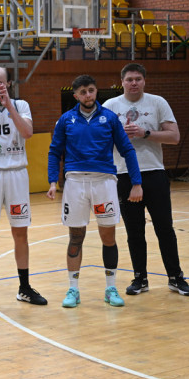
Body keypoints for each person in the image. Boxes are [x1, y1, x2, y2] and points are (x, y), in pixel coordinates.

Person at [47, 74, 142, 309]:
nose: (88, 95)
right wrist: (52, 181)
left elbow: (127, 150)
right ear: (75, 95)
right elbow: (54, 151)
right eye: (83, 92)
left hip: (104, 182)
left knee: (108, 236)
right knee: (75, 237)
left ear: (96, 91)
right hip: (75, 183)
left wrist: (136, 182)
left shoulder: (110, 118)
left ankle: (111, 288)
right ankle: (73, 289)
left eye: (91, 90)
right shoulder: (65, 120)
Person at [103, 63, 189, 297]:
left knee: (165, 228)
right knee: (134, 231)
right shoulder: (110, 106)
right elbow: (99, 139)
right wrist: (119, 135)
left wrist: (145, 133)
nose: (133, 83)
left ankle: (176, 277)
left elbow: (174, 136)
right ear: (122, 82)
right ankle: (140, 278)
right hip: (124, 175)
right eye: (129, 79)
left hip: (154, 173)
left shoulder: (157, 102)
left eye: (138, 79)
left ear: (144, 81)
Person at [0, 67, 47, 308]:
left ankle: (24, 288)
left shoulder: (21, 105)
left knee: (20, 233)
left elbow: (28, 132)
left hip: (16, 173)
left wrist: (9, 107)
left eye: (0, 83)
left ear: (9, 84)